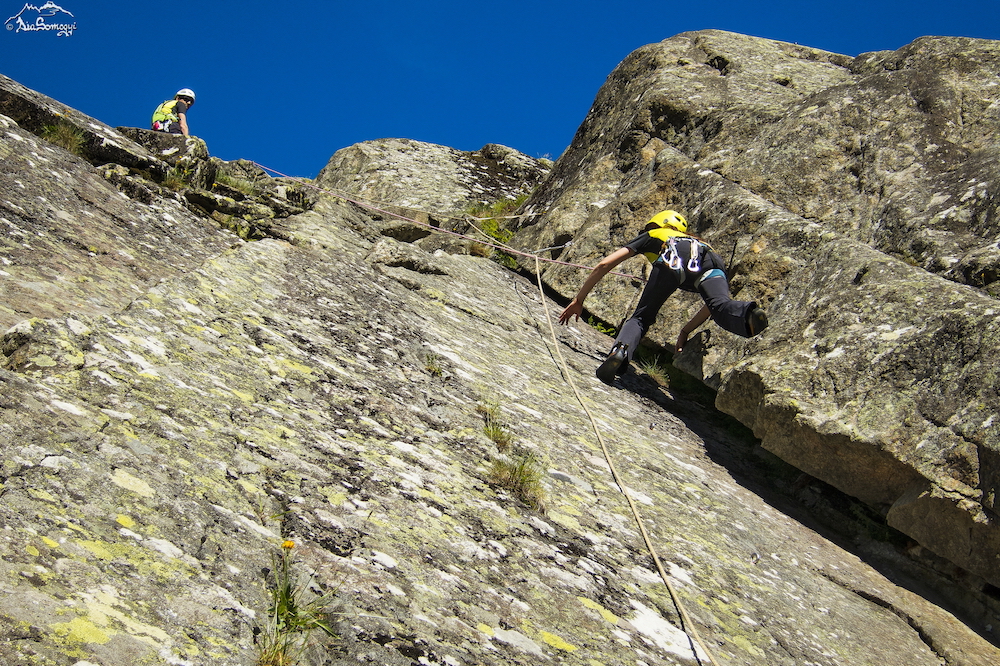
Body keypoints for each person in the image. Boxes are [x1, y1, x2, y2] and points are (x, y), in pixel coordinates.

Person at [558, 209, 768, 384]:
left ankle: (620, 351)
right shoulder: (703, 244)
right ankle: (747, 314)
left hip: (672, 260)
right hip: (713, 263)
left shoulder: (656, 234)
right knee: (723, 306)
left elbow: (605, 264)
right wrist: (685, 331)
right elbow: (711, 307)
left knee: (641, 317)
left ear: (659, 224)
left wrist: (579, 300)